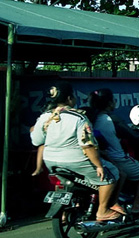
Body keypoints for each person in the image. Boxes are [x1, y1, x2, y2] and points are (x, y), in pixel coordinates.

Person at [30, 82, 122, 221]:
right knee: (111, 175)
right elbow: (87, 146)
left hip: (50, 161)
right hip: (76, 161)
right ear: (69, 99)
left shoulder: (44, 117)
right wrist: (98, 166)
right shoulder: (79, 118)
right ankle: (103, 211)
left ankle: (65, 213)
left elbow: (37, 141)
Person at [87, 88, 139, 215]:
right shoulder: (112, 119)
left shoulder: (92, 118)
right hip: (116, 158)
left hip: (98, 157)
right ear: (110, 103)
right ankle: (136, 206)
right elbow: (133, 136)